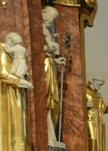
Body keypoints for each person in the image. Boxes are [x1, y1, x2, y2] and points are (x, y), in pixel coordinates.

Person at [0, 32, 33, 151]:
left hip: (17, 89)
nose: (18, 47)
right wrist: (20, 81)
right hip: (8, 91)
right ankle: (11, 149)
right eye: (16, 44)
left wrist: (23, 77)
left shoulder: (11, 52)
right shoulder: (1, 53)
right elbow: (2, 73)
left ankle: (21, 150)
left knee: (20, 117)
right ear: (8, 41)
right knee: (11, 117)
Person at [42, 5, 66, 140]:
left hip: (49, 64)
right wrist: (49, 48)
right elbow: (35, 48)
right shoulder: (37, 27)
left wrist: (56, 61)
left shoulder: (46, 30)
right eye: (51, 18)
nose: (51, 22)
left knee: (53, 100)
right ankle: (46, 130)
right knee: (46, 97)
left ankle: (50, 130)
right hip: (45, 66)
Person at [85, 78, 108, 151]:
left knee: (98, 141)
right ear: (93, 81)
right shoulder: (84, 91)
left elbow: (104, 109)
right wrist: (85, 105)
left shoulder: (98, 95)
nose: (99, 87)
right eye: (99, 84)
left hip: (99, 120)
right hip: (90, 118)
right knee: (92, 139)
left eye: (101, 85)